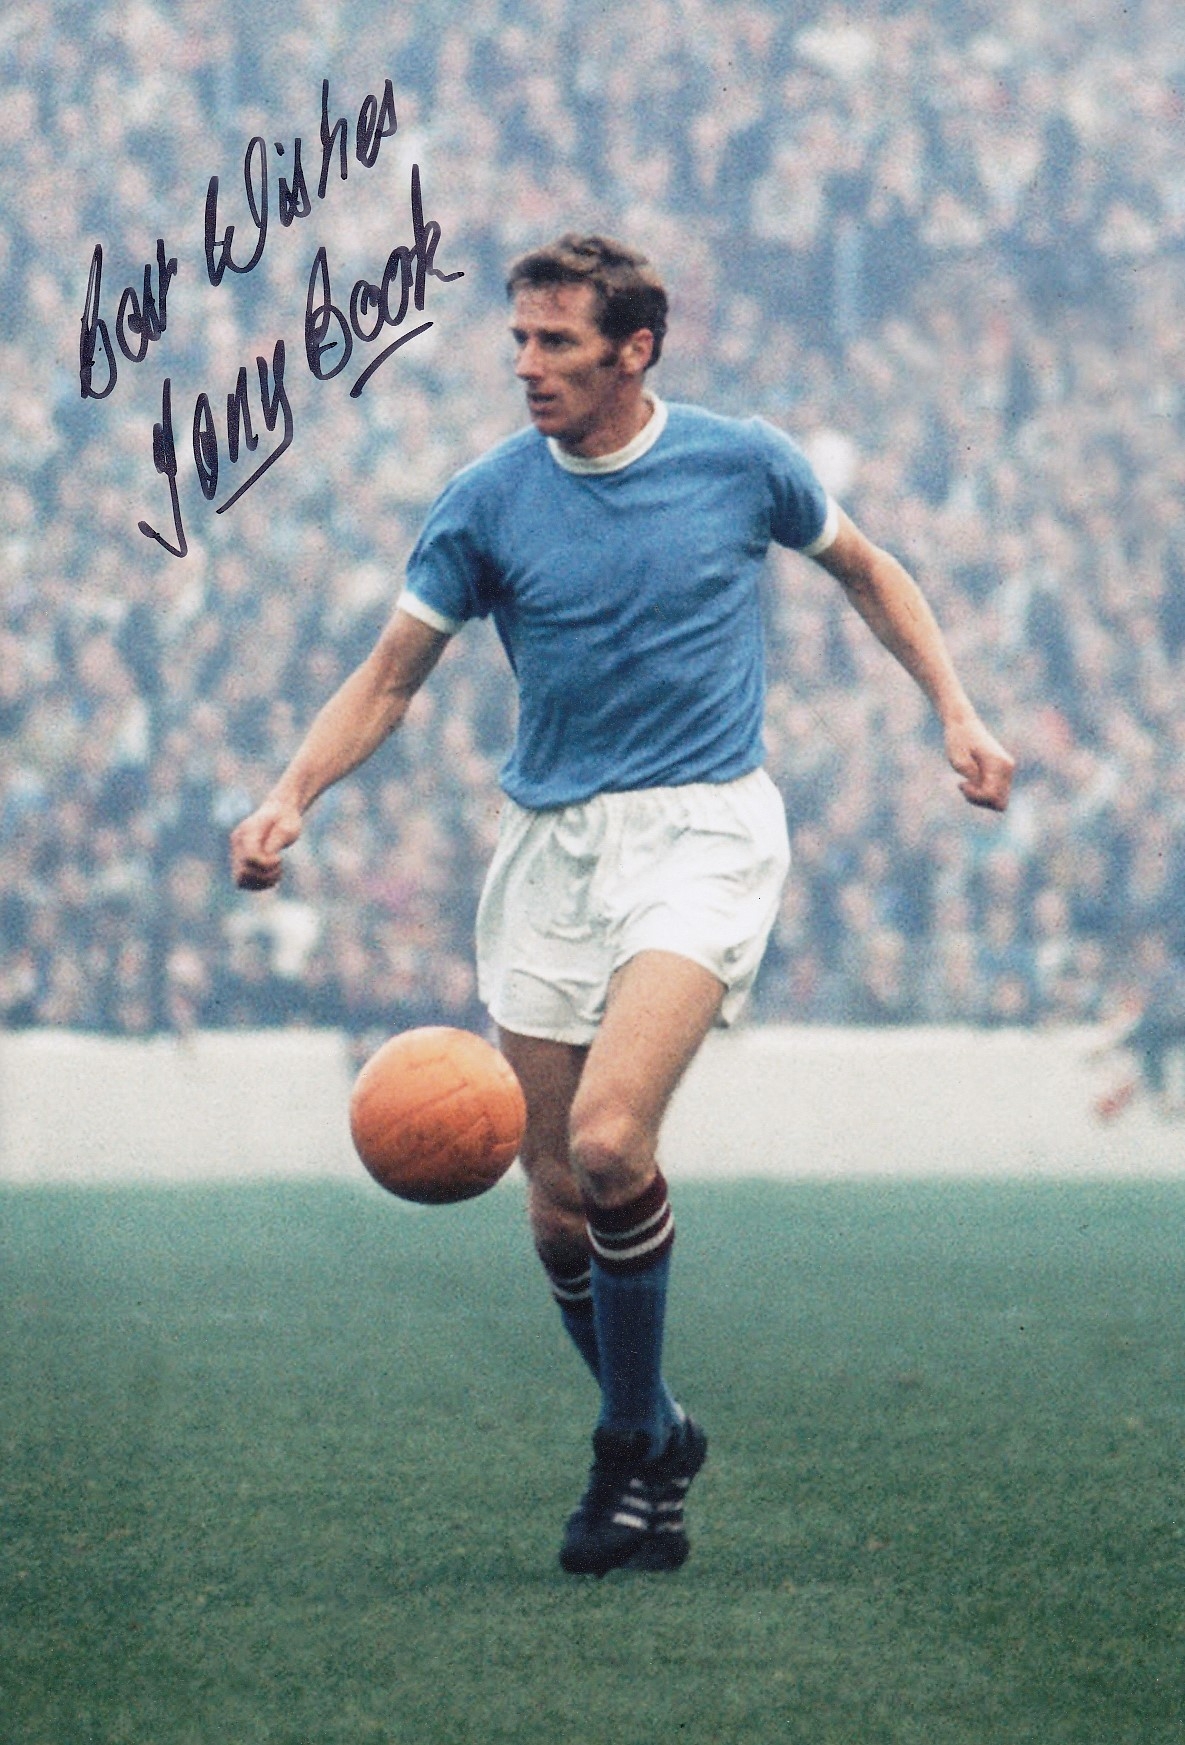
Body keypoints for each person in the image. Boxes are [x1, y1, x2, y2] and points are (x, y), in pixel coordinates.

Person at [230, 234, 1014, 1576]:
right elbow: (390, 677)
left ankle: (621, 1450)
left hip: (703, 830)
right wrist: (290, 794)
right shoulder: (487, 501)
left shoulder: (740, 462)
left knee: (606, 1143)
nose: (527, 366)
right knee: (551, 1204)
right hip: (550, 848)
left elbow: (870, 570)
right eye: (520, 341)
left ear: (634, 349)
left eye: (557, 343)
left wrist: (955, 708)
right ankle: (658, 1435)